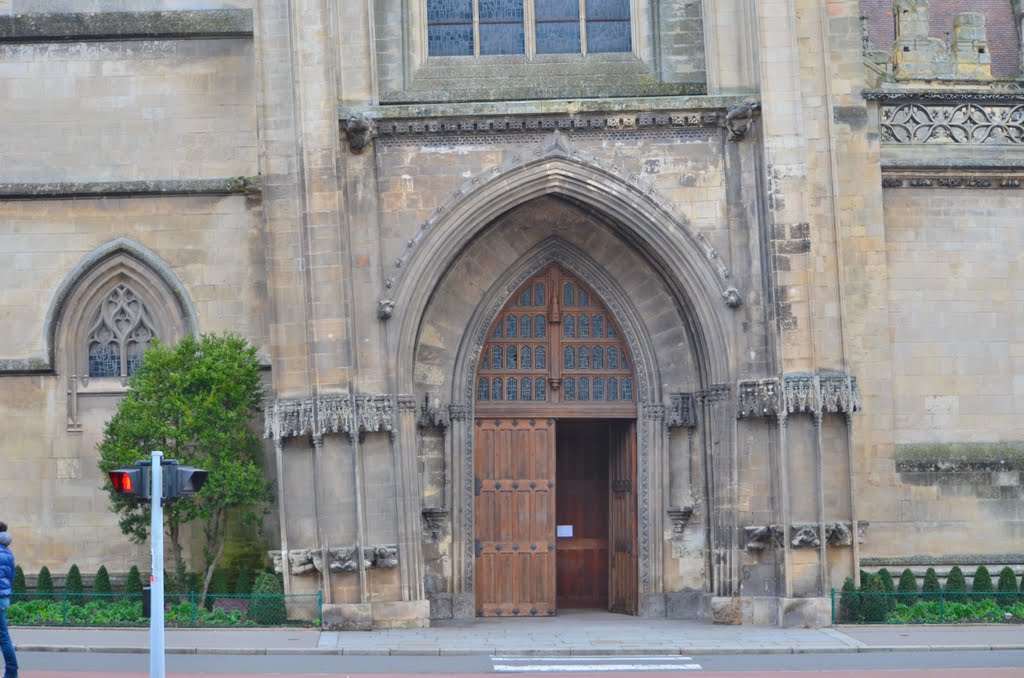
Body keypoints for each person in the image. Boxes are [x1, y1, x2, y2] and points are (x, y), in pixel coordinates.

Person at [0, 521, 17, 678]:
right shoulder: (7, 551)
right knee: (3, 636)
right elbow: (12, 575)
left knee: (3, 638)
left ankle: (12, 672)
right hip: (3, 597)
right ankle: (11, 672)